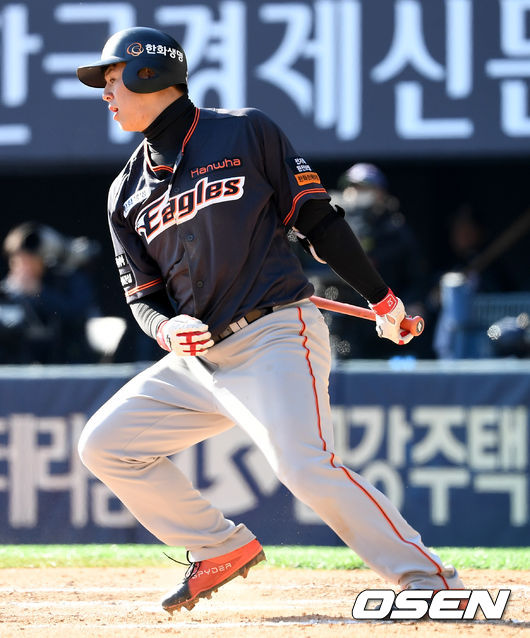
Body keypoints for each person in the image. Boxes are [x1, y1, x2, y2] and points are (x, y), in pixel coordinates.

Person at [76, 27, 464, 616]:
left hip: (272, 335)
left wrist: (382, 301)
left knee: (304, 466)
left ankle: (427, 579)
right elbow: (144, 297)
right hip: (198, 360)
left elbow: (319, 221)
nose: (105, 94)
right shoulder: (124, 191)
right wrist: (164, 329)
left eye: (112, 80)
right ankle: (218, 546)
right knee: (105, 445)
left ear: (148, 74)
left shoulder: (244, 131)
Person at [316, 162, 428, 359]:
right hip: (345, 319)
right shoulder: (332, 226)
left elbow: (416, 278)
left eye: (364, 188)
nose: (356, 193)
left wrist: (412, 302)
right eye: (352, 187)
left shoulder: (396, 231)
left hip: (388, 318)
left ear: (380, 194)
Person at [0, 222, 101, 363]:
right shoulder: (9, 290)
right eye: (18, 261)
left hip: (68, 358)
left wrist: (39, 292)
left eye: (29, 260)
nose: (24, 267)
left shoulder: (63, 278)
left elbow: (76, 313)